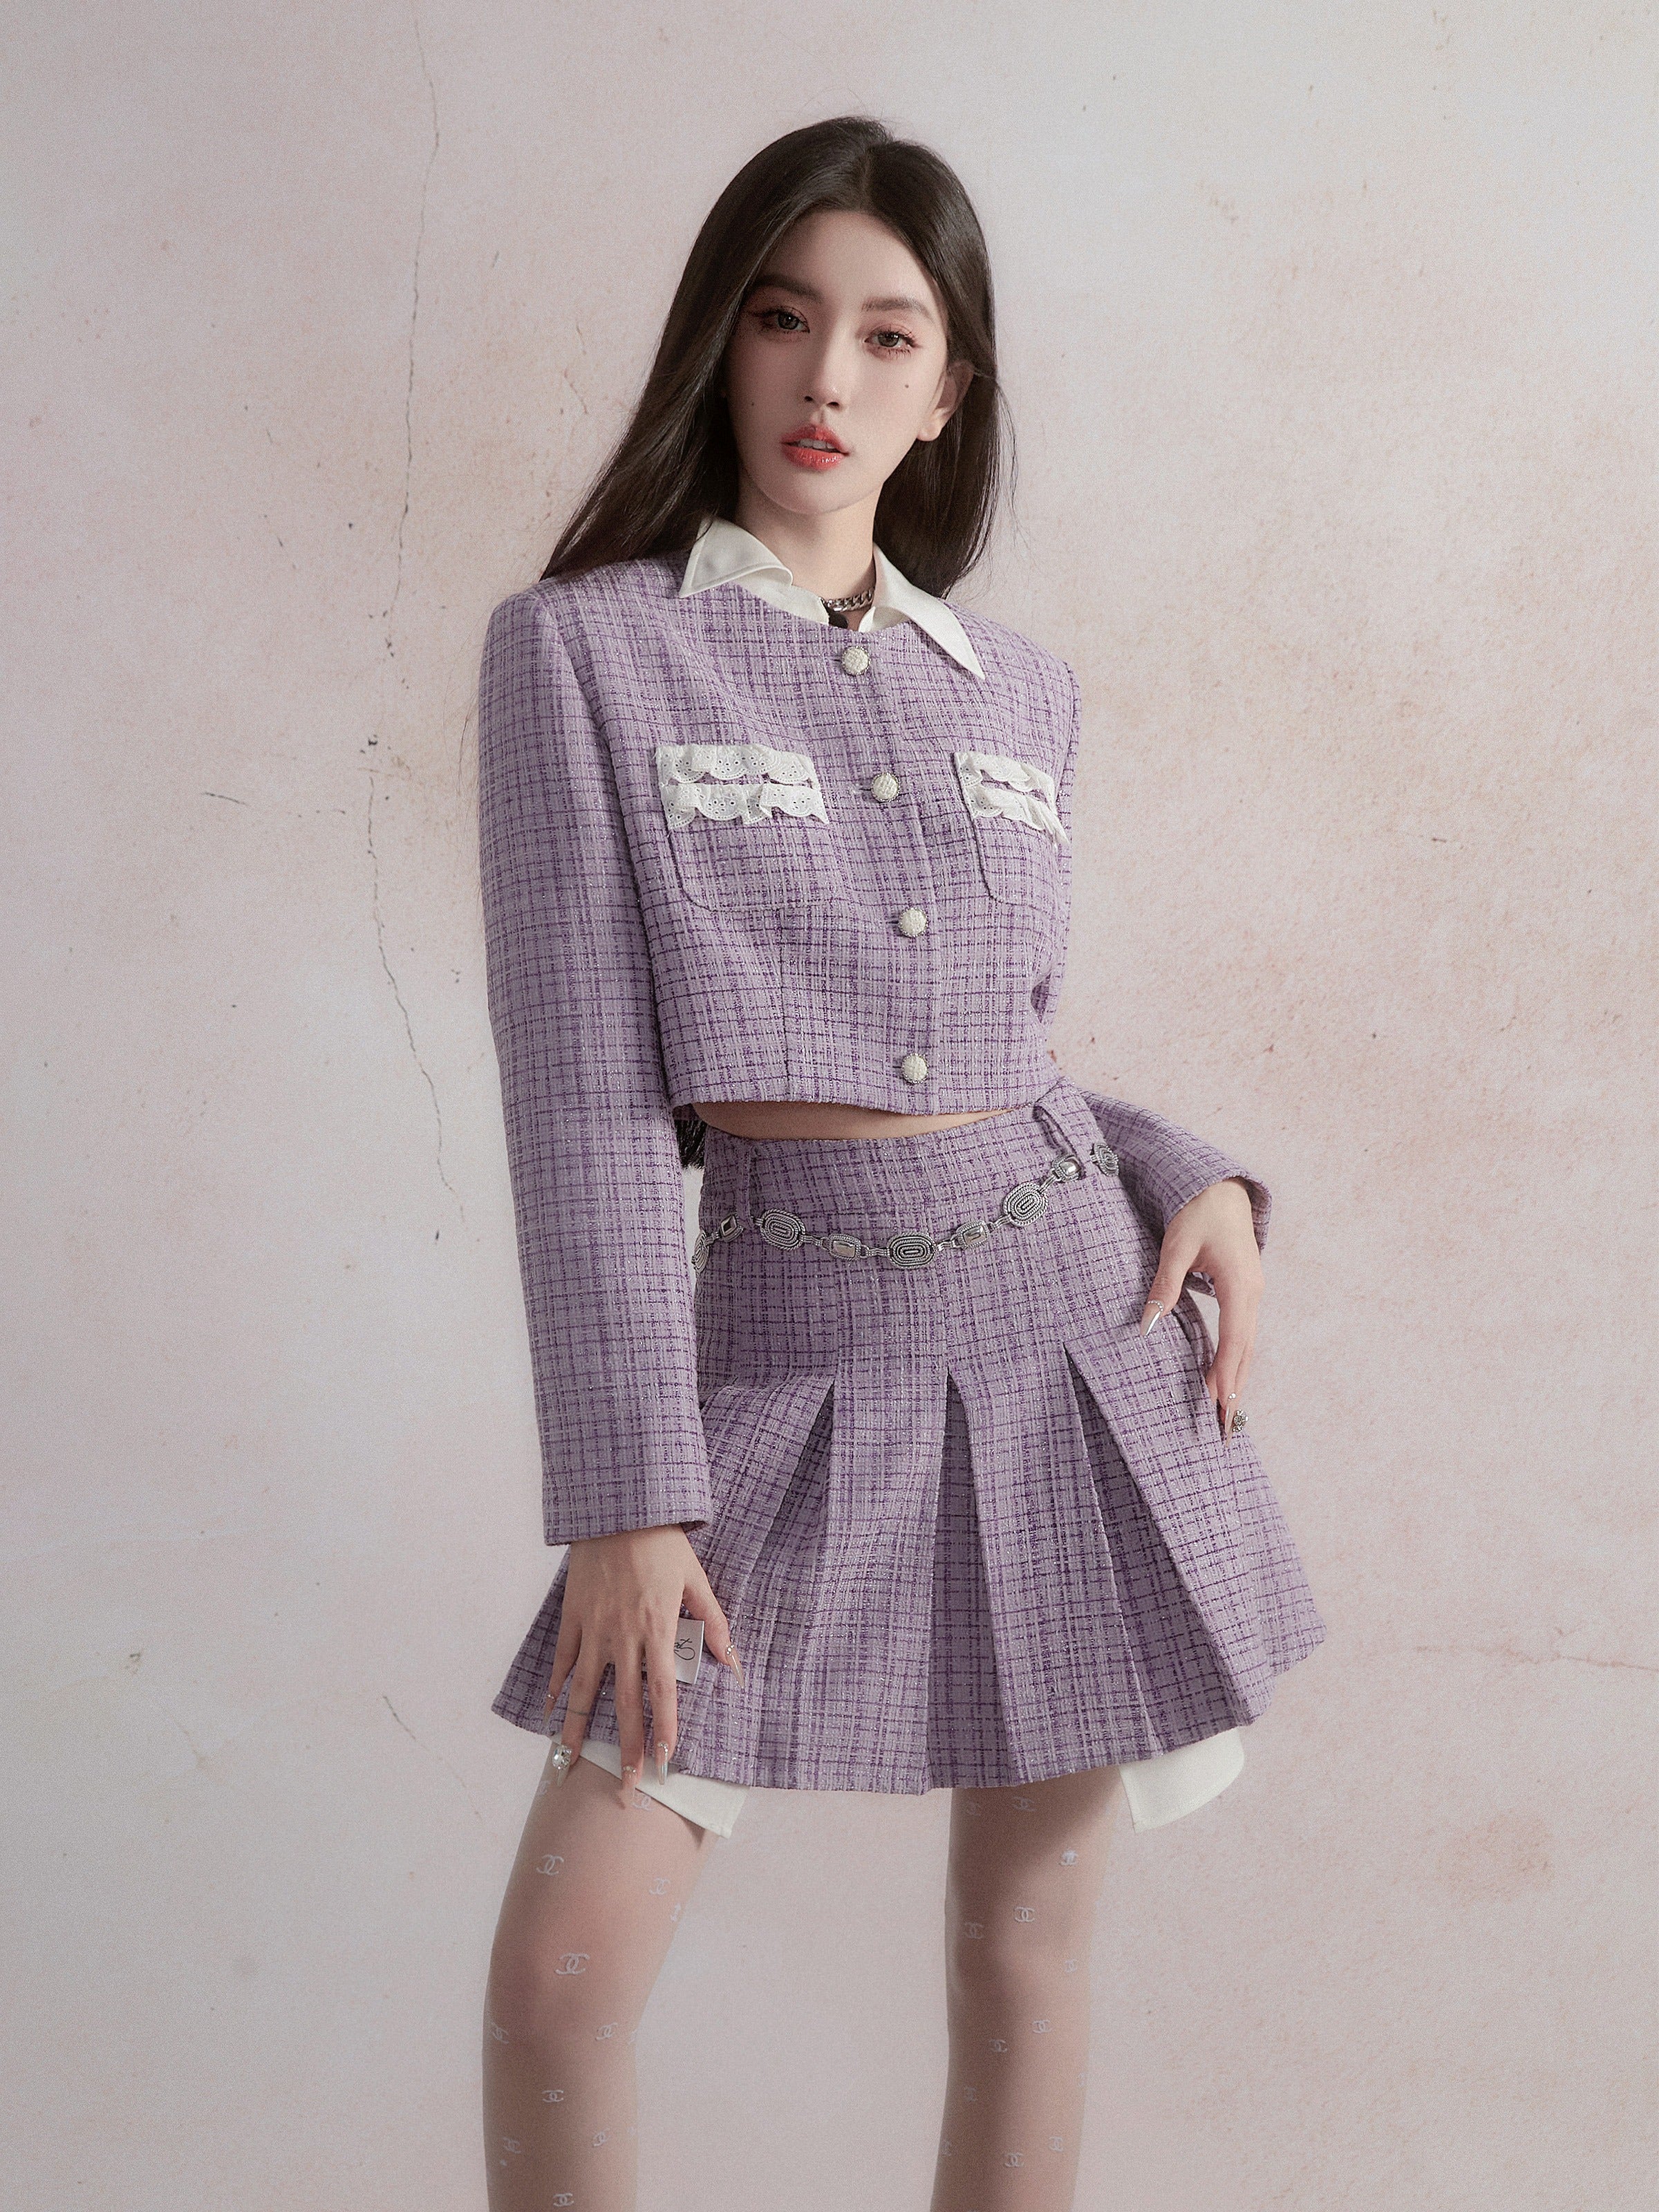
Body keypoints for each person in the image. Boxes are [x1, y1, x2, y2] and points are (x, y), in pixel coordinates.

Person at [476, 114, 1325, 2212]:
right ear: (721, 343)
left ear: (949, 391)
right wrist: (625, 1497)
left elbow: (1007, 1058)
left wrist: (1193, 1171)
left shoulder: (1021, 693)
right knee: (565, 1982)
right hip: (770, 1370)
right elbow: (584, 1111)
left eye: (886, 335)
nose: (827, 379)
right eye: (784, 320)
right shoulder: (584, 652)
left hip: (1070, 1350)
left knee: (1021, 1959)